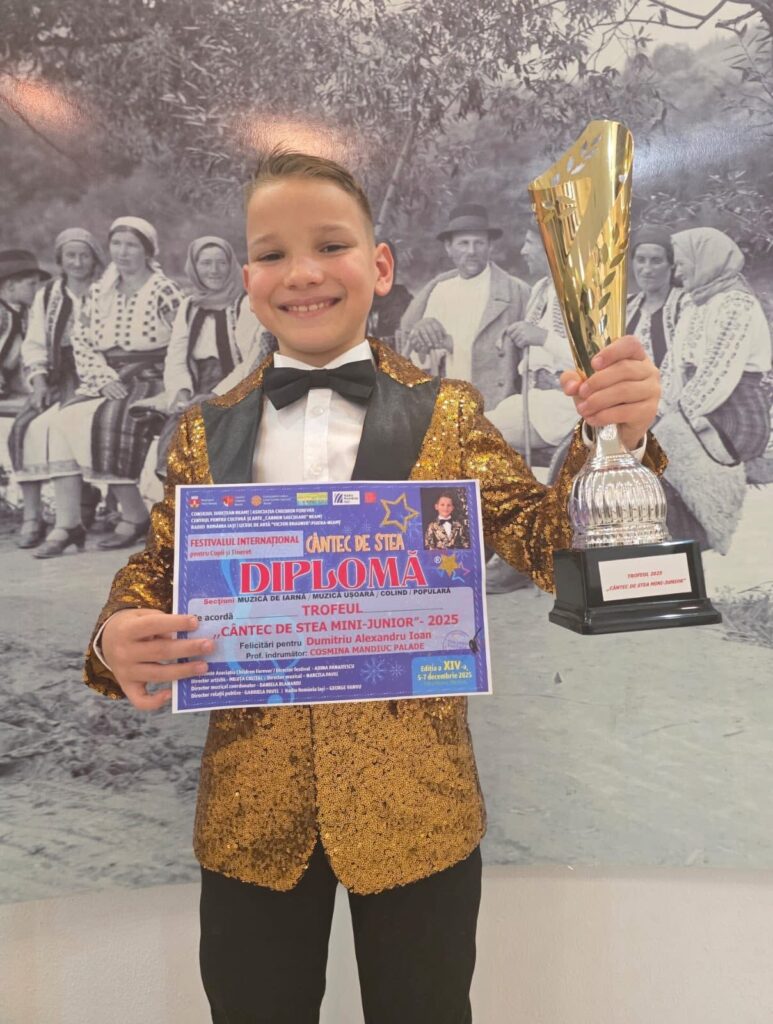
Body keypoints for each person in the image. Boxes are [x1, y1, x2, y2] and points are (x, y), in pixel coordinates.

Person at [83, 151, 663, 1024]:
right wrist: (116, 633)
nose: (302, 272)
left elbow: (545, 543)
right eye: (272, 253)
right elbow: (155, 570)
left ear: (381, 266)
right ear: (247, 280)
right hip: (251, 813)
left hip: (419, 809)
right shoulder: (204, 430)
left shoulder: (449, 412)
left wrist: (613, 442)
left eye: (330, 245)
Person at [45, 217, 182, 555]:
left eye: (131, 245)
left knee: (114, 417)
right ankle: (68, 522)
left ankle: (134, 515)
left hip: (153, 377)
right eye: (116, 244)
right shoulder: (99, 291)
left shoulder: (163, 290)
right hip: (108, 378)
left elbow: (183, 340)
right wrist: (103, 377)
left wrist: (175, 385)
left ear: (147, 251)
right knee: (61, 420)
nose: (123, 252)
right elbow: (82, 341)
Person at [654, 226, 771, 554]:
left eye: (682, 264)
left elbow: (719, 374)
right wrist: (657, 409)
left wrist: (676, 419)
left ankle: (693, 537)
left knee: (660, 447)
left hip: (737, 414)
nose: (677, 273)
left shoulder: (738, 305)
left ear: (704, 260)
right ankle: (667, 538)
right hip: (699, 408)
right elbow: (672, 368)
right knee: (640, 439)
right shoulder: (693, 305)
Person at [7, 229, 104, 550]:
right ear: (60, 260)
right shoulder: (48, 295)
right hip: (58, 376)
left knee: (58, 426)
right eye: (70, 256)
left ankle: (78, 510)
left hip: (97, 375)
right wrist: (38, 381)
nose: (77, 262)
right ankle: (32, 516)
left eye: (84, 255)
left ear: (94, 259)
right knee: (27, 426)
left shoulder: (106, 290)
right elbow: (34, 344)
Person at [399, 203, 530, 408]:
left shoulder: (516, 292)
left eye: (479, 243)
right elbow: (426, 360)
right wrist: (422, 340)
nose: (471, 251)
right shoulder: (440, 292)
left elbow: (532, 361)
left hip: (500, 407)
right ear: (448, 248)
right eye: (463, 243)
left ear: (490, 246)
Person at [486, 227, 578, 455]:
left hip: (565, 407)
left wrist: (542, 338)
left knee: (468, 433)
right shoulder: (540, 289)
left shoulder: (580, 291)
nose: (523, 251)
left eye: (529, 243)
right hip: (535, 401)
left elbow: (594, 360)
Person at [625, 224, 683, 369]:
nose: (647, 270)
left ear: (672, 264)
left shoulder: (685, 306)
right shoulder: (625, 306)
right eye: (640, 260)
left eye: (656, 261)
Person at [0, 249, 49, 398]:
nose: (37, 290)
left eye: (38, 284)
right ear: (10, 286)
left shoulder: (28, 313)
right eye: (31, 284)